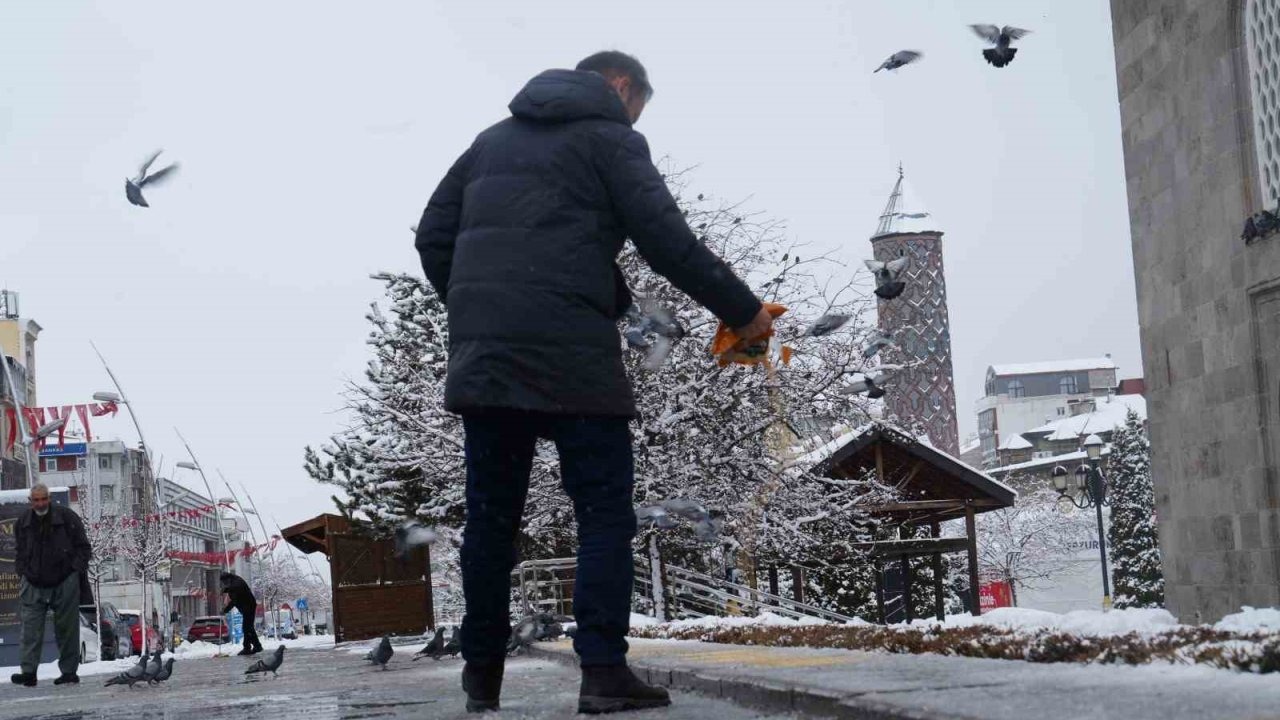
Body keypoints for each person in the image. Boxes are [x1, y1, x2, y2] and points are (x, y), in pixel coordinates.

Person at [416, 50, 773, 714]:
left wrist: (482, 311)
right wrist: (744, 313)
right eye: (638, 105)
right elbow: (669, 240)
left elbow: (434, 237)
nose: (636, 118)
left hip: (488, 361)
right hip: (573, 359)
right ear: (620, 86)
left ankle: (481, 678)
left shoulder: (488, 143)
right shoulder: (613, 139)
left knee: (492, 522)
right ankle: (603, 673)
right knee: (603, 511)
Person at [11, 483, 92, 687]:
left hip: (64, 581)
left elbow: (84, 548)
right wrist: (22, 571)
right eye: (36, 500)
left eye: (43, 498)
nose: (40, 503)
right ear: (31, 502)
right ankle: (28, 673)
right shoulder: (22, 522)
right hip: (33, 582)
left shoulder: (67, 518)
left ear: (49, 498)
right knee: (30, 630)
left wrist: (74, 570)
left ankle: (69, 672)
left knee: (67, 630)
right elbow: (20, 551)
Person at [219, 571, 262, 656]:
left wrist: (225, 610)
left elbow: (234, 601)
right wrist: (226, 590)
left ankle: (248, 648)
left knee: (246, 627)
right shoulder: (235, 581)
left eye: (224, 582)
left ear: (228, 579)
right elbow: (233, 590)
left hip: (248, 606)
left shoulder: (236, 585)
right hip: (247, 605)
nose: (224, 584)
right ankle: (257, 646)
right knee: (248, 628)